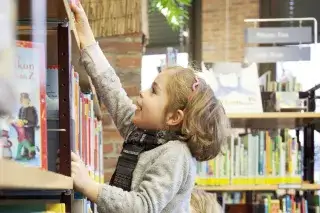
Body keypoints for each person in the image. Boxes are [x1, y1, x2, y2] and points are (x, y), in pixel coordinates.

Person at [68, 2, 230, 213]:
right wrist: (85, 32)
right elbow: (111, 89)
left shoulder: (175, 155)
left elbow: (142, 206)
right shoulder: (143, 135)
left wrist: (88, 185)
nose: (143, 92)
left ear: (173, 117)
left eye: (154, 91)